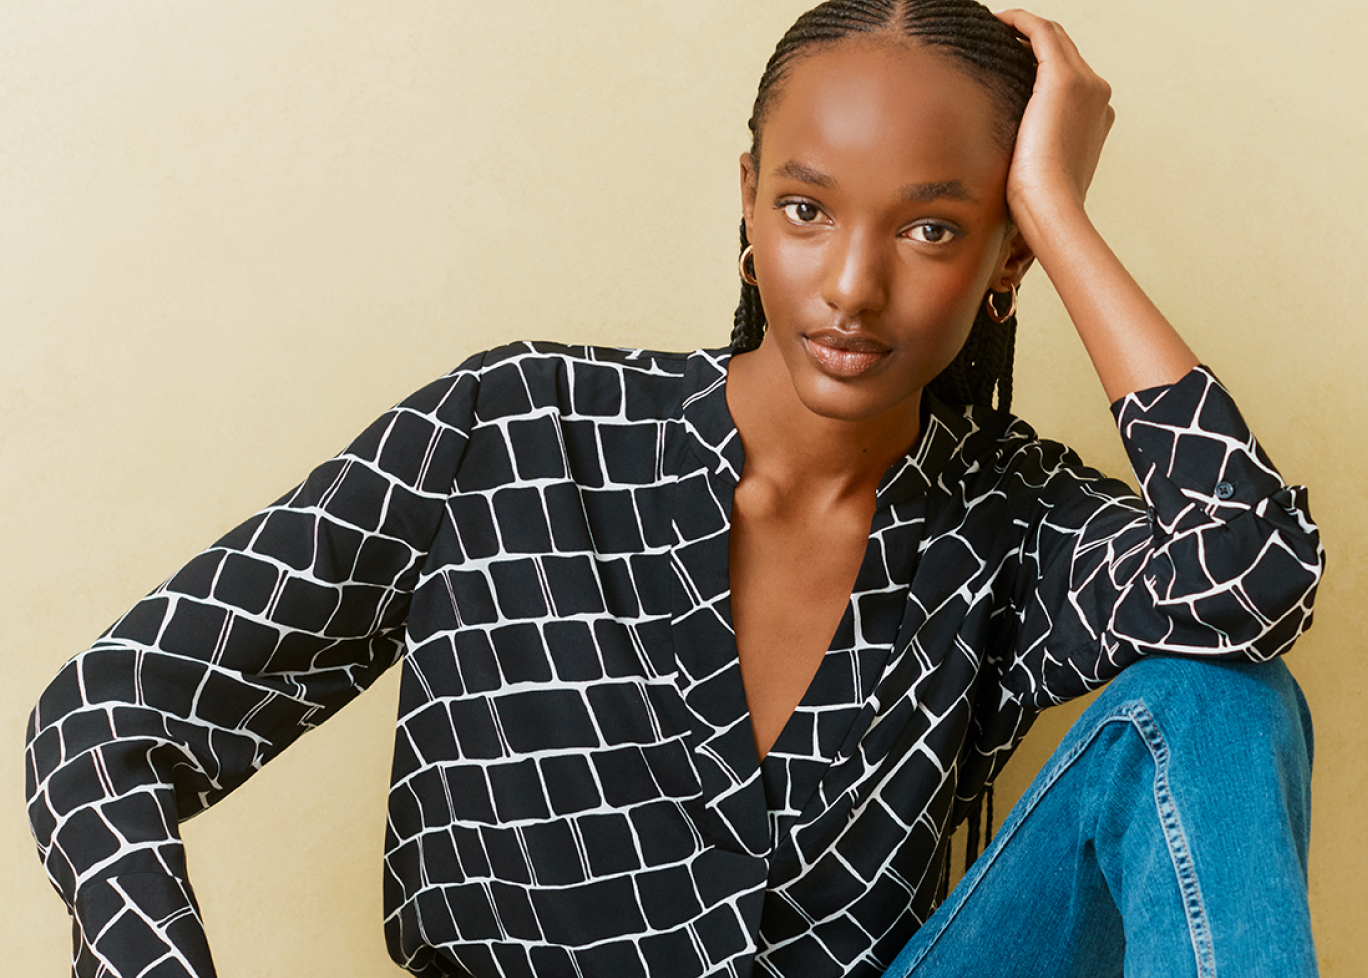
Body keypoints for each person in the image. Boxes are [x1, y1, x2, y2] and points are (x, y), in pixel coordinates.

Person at [26, 1, 1323, 976]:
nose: (851, 285)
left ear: (1005, 260)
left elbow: (1251, 574)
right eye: (808, 209)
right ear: (750, 199)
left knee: (1214, 697)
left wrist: (1058, 205)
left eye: (933, 227)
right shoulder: (519, 428)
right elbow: (99, 723)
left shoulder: (1009, 523)